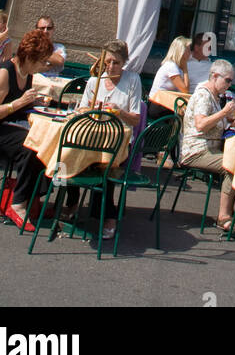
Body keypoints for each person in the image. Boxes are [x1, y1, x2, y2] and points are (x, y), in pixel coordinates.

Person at [0, 27, 55, 230]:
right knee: (29, 146)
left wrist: (33, 103)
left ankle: (32, 198)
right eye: (42, 60)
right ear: (30, 57)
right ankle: (18, 203)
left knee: (43, 141)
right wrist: (18, 104)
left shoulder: (26, 73)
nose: (44, 66)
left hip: (5, 126)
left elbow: (17, 104)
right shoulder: (4, 73)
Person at [77, 40, 143, 240]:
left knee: (105, 167)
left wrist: (119, 112)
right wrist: (92, 108)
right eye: (107, 62)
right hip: (92, 136)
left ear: (124, 62)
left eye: (116, 62)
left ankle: (109, 216)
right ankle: (71, 202)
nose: (111, 67)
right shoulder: (94, 81)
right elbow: (81, 110)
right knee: (67, 159)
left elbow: (136, 118)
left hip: (119, 140)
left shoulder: (132, 80)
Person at [179, 60, 235, 233]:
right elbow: (201, 124)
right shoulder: (203, 94)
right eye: (228, 80)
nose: (229, 85)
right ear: (215, 76)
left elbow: (212, 121)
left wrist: (227, 120)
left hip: (211, 149)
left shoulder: (215, 96)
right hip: (196, 150)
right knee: (234, 166)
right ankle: (224, 216)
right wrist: (223, 113)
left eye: (231, 81)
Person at [148, 36, 191, 118]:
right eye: (188, 49)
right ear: (181, 51)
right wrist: (185, 69)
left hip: (165, 103)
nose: (190, 52)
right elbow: (185, 90)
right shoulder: (171, 66)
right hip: (157, 105)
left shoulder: (177, 67)